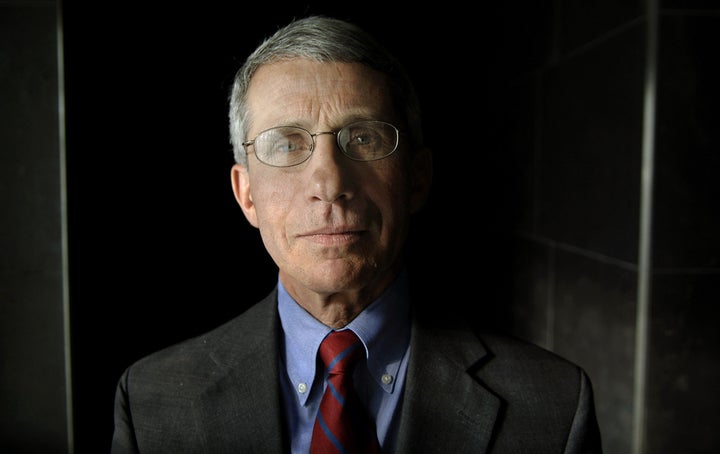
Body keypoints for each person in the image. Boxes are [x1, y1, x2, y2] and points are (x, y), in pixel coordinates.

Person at [110, 15, 603, 453]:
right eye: (286, 143)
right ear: (246, 196)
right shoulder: (152, 404)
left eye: (363, 138)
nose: (330, 184)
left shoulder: (553, 409)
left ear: (416, 178)